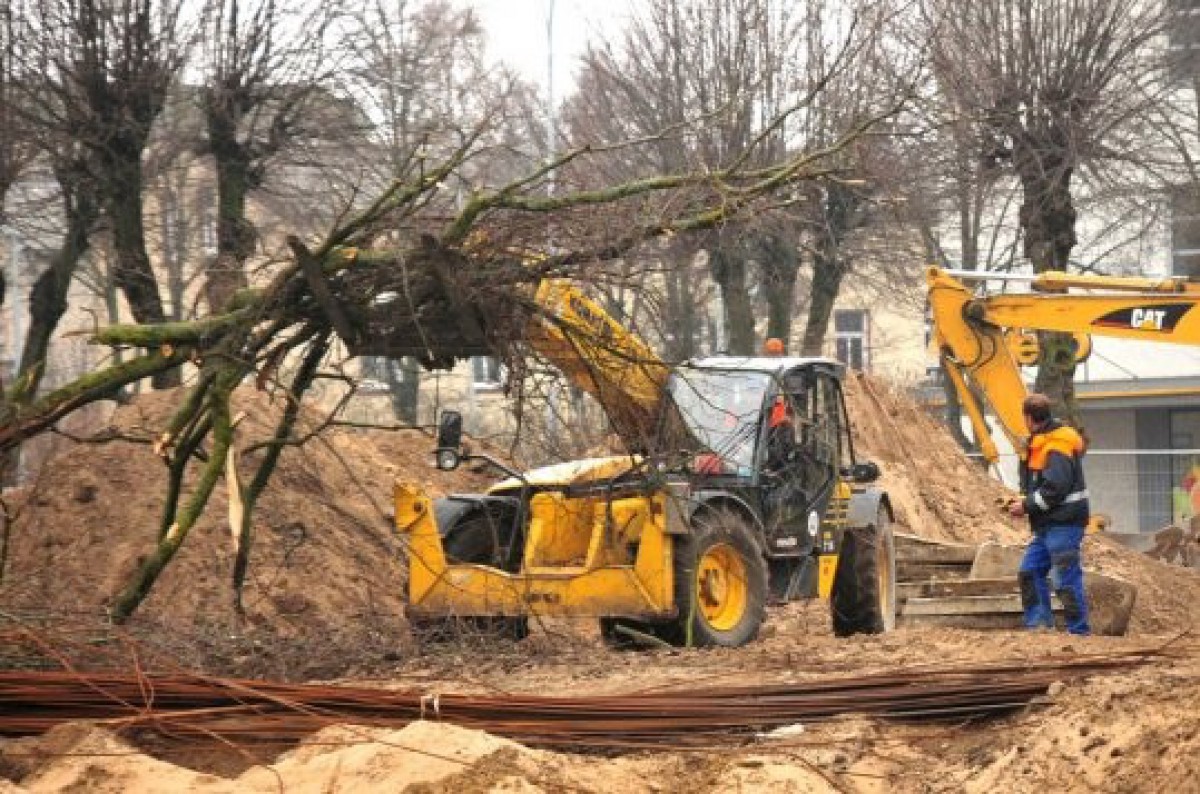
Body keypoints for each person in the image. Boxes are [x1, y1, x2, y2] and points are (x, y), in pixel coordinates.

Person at [1007, 393, 1091, 635]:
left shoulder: (1056, 445)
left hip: (1064, 523)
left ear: (1028, 418)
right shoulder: (1044, 442)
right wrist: (1025, 501)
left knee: (1065, 577)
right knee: (1030, 571)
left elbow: (1055, 488)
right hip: (1049, 524)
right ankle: (1040, 626)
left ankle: (1079, 631)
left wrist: (1026, 506)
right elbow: (1042, 485)